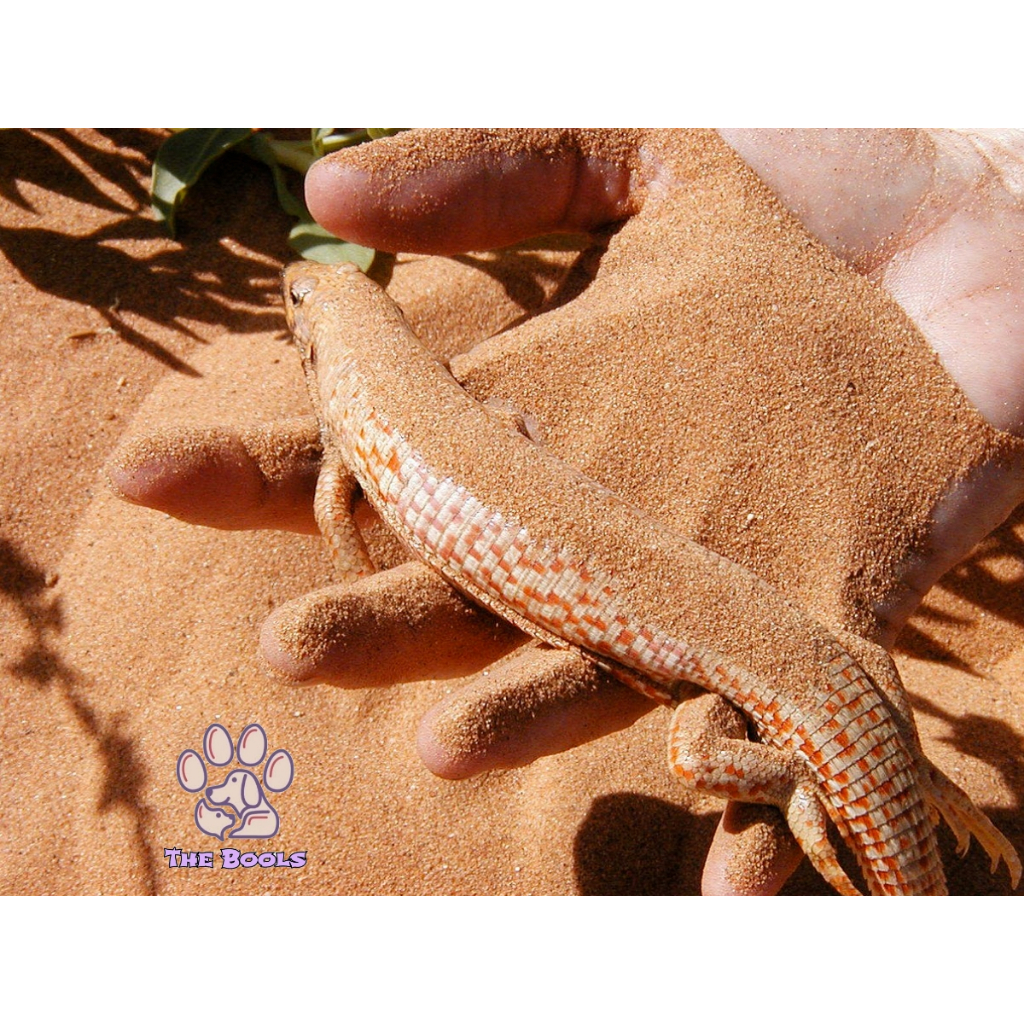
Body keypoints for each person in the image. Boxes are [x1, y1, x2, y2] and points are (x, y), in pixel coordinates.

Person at [112, 129, 1024, 894]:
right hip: (723, 629)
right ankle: (876, 780)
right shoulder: (414, 392)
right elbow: (498, 422)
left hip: (699, 644)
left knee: (701, 756)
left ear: (312, 345)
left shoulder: (349, 428)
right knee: (813, 705)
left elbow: (334, 507)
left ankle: (816, 779)